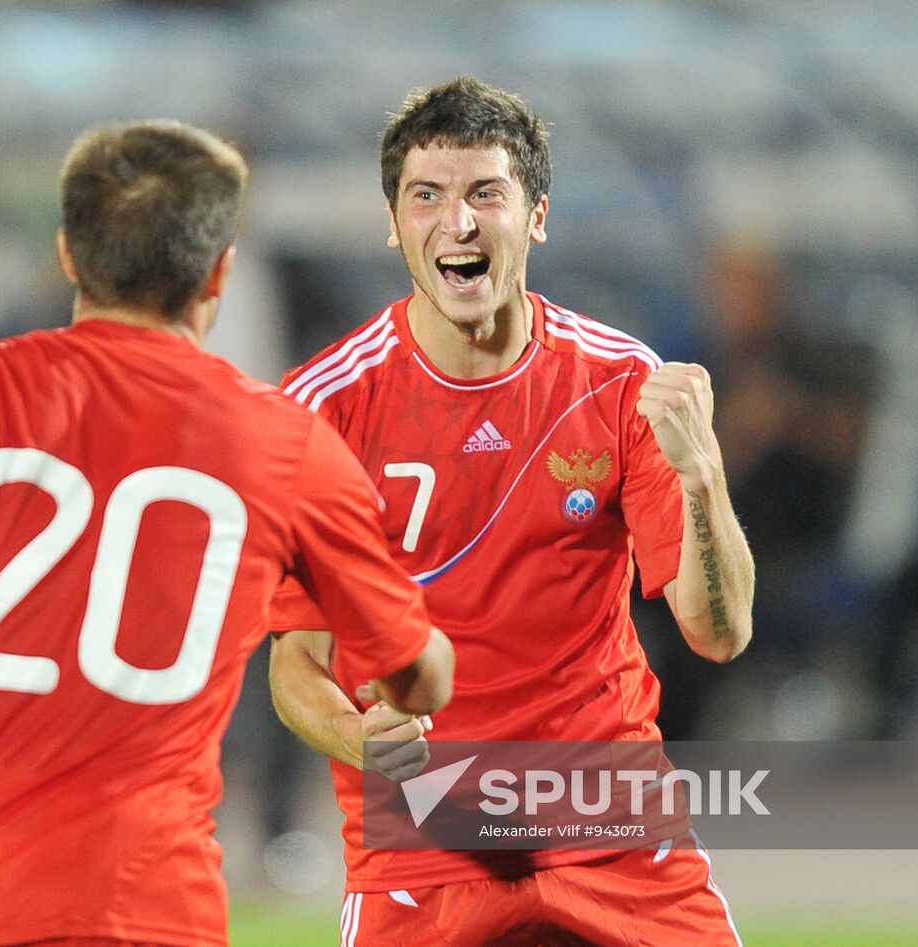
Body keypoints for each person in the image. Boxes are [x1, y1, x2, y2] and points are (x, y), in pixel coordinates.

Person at [0, 119, 454, 947]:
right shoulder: (288, 443)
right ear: (219, 272)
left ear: (68, 254)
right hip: (141, 895)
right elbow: (413, 674)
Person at [269, 77, 755, 945]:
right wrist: (362, 742)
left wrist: (704, 476)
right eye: (428, 196)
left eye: (486, 193)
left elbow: (719, 631)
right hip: (424, 831)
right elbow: (296, 663)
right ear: (393, 223)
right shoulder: (323, 410)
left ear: (535, 216)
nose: (458, 222)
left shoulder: (617, 383)